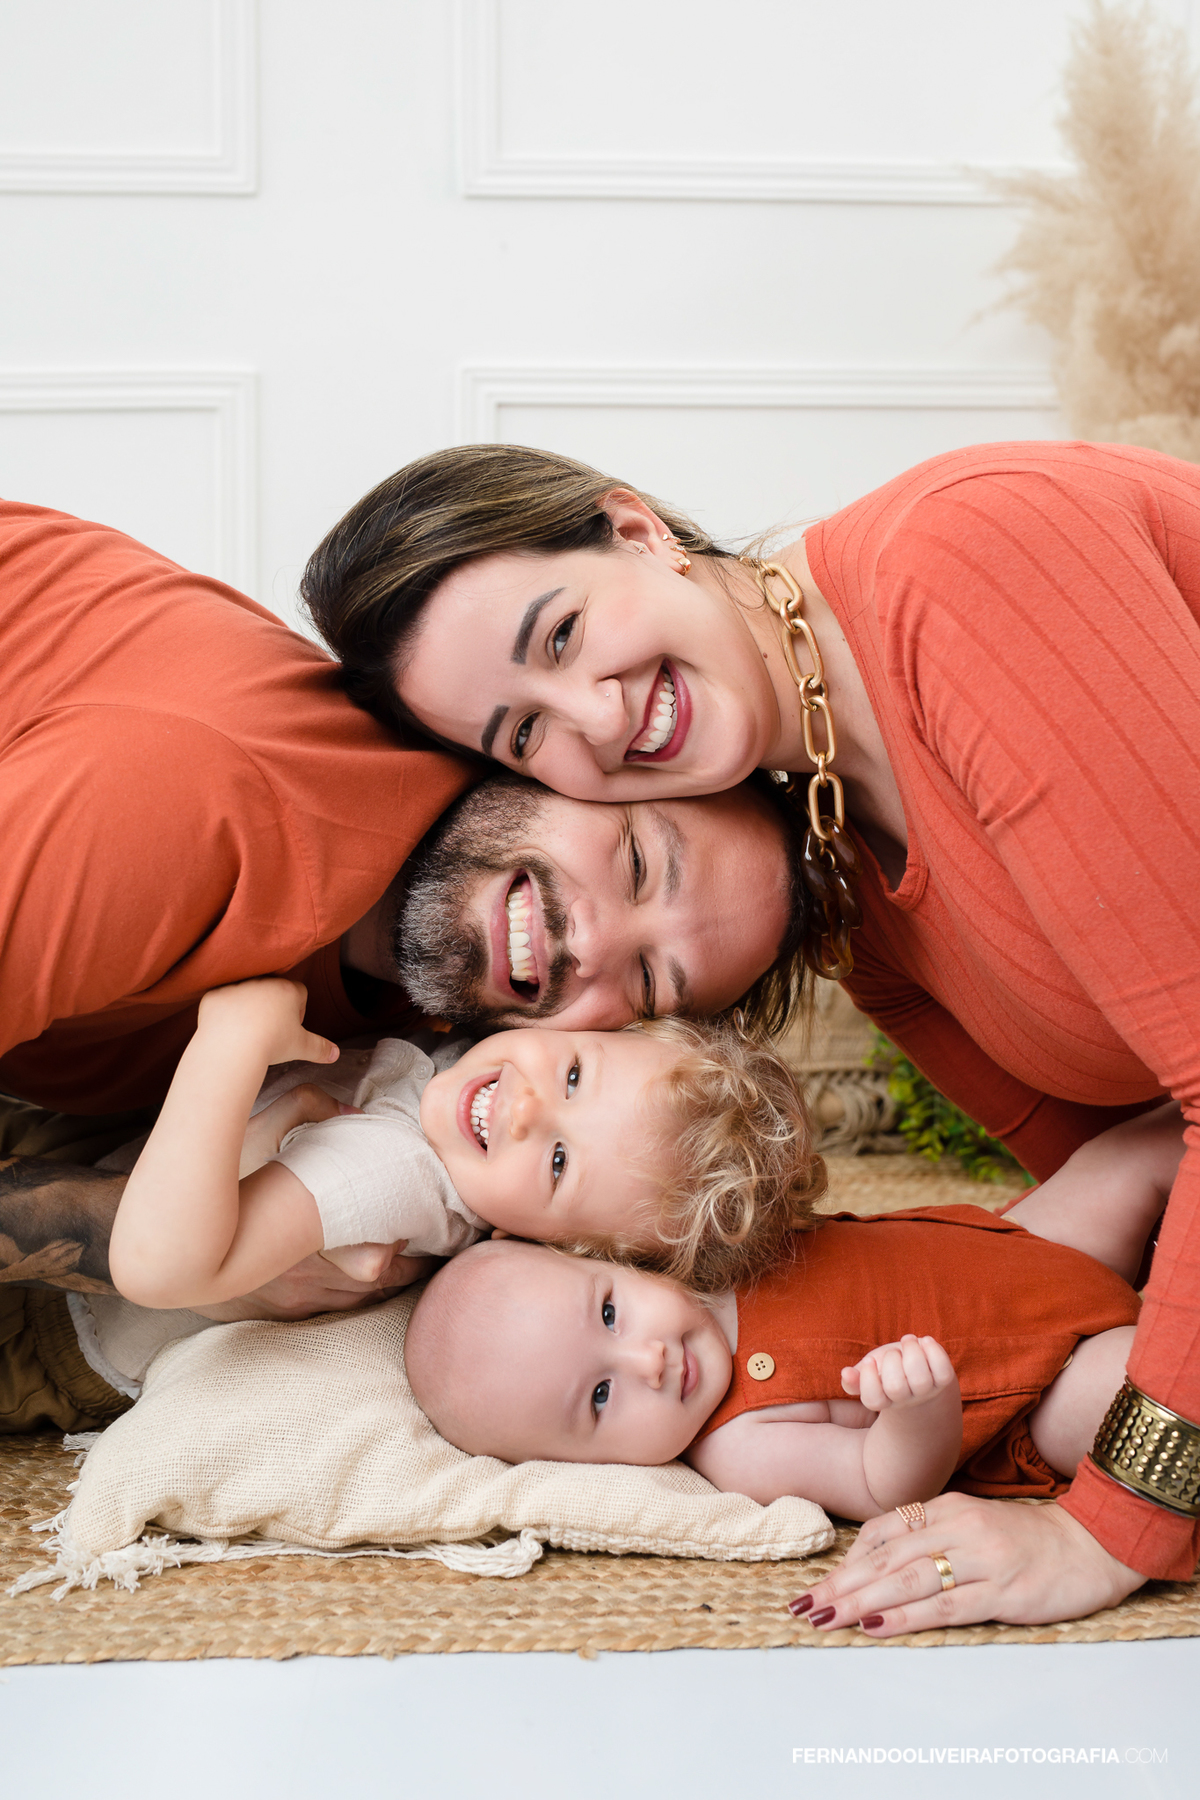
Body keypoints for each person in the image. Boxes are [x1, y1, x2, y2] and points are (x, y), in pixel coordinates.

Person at [302, 437, 1200, 1621]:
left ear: (633, 529)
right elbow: (1134, 1183)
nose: (597, 717)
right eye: (525, 735)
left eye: (562, 634)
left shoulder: (962, 560)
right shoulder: (857, 902)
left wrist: (1110, 1529)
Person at [0, 497, 803, 1313]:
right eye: (634, 861)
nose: (587, 943)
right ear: (567, 759)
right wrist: (164, 1243)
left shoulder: (433, 1032)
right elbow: (161, 1252)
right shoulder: (191, 812)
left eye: (647, 983)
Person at [406, 1106, 1180, 1615]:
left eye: (610, 1311)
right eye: (602, 1399)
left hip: (1021, 1242)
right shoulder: (741, 1445)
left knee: (1145, 1148)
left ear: (601, 1259)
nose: (648, 1360)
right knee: (1141, 1380)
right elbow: (885, 1484)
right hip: (1042, 1383)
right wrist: (915, 1410)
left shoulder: (694, 1253)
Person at [107, 977, 823, 1309]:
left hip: (61, 1321)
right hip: (111, 1129)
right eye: (573, 1073)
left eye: (559, 1162)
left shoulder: (401, 1170)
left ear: (536, 1241)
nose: (527, 1111)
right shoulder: (466, 1068)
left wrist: (227, 1042)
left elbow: (156, 1269)